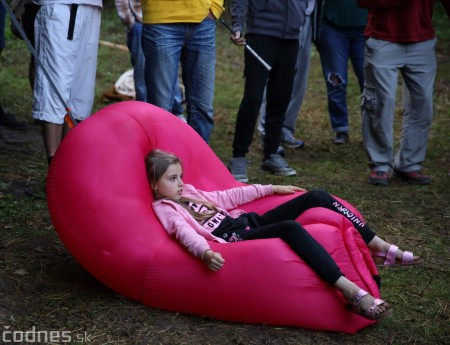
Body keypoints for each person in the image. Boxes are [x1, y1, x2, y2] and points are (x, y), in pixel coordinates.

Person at [146, 149, 420, 321]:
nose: (180, 183)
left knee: (316, 196)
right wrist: (204, 252)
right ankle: (350, 291)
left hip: (249, 222)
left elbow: (228, 196)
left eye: (180, 176)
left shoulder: (190, 191)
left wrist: (271, 187)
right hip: (235, 240)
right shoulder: (166, 208)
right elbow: (183, 234)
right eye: (172, 179)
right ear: (154, 185)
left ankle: (376, 244)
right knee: (290, 229)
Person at [357, 0, 450, 186]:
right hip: (383, 39)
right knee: (381, 103)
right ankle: (380, 165)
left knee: (422, 105)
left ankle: (409, 164)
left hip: (422, 40)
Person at [228, 0, 307, 183]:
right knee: (253, 97)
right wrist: (238, 24)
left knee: (280, 97)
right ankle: (238, 156)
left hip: (291, 37)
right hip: (261, 34)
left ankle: (271, 153)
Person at [141, 0, 223, 143]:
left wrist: (214, 8)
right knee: (160, 108)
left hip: (203, 19)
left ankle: (199, 163)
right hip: (160, 19)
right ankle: (161, 164)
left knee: (203, 109)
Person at [32, 0, 102, 166]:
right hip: (60, 5)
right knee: (54, 87)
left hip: (92, 6)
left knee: (82, 95)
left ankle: (67, 167)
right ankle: (54, 171)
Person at [257, 0, 316, 151]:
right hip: (280, 15)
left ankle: (285, 128)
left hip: (307, 15)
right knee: (276, 76)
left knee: (297, 79)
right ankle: (267, 131)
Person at [314, 0, 367, 145]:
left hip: (366, 26)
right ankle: (341, 129)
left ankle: (371, 129)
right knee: (336, 81)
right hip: (332, 25)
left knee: (369, 82)